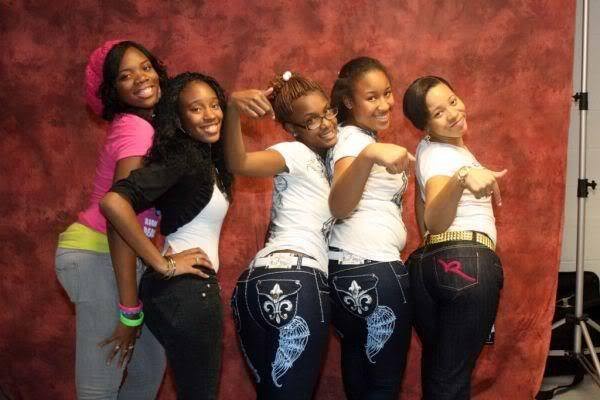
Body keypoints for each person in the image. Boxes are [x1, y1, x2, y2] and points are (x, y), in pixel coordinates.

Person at [100, 72, 234, 399]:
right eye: (196, 109)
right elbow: (113, 202)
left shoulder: (205, 160)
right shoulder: (184, 159)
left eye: (215, 105)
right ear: (179, 119)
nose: (210, 114)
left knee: (148, 387)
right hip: (188, 291)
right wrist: (163, 264)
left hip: (176, 293)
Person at [55, 40, 167, 399]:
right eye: (124, 75)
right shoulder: (137, 129)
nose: (141, 78)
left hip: (119, 258)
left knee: (147, 369)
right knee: (99, 385)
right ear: (112, 89)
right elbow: (119, 210)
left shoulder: (148, 126)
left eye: (145, 67)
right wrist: (130, 311)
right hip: (98, 253)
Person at [226, 71, 337, 399]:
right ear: (292, 129)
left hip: (255, 283)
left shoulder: (327, 163)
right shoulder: (295, 153)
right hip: (298, 281)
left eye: (328, 111)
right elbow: (239, 162)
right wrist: (232, 110)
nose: (326, 123)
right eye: (312, 120)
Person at [403, 75, 505, 400]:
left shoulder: (429, 150)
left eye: (452, 100)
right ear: (425, 125)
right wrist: (461, 177)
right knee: (450, 380)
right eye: (438, 113)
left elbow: (423, 220)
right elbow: (434, 220)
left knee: (441, 374)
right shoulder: (443, 157)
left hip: (428, 267)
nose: (452, 112)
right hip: (465, 264)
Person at [327, 56, 413, 399]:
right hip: (374, 269)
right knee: (383, 383)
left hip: (344, 267)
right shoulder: (354, 141)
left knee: (361, 376)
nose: (384, 104)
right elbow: (340, 204)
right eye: (371, 97)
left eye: (387, 93)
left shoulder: (355, 137)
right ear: (349, 101)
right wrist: (368, 155)